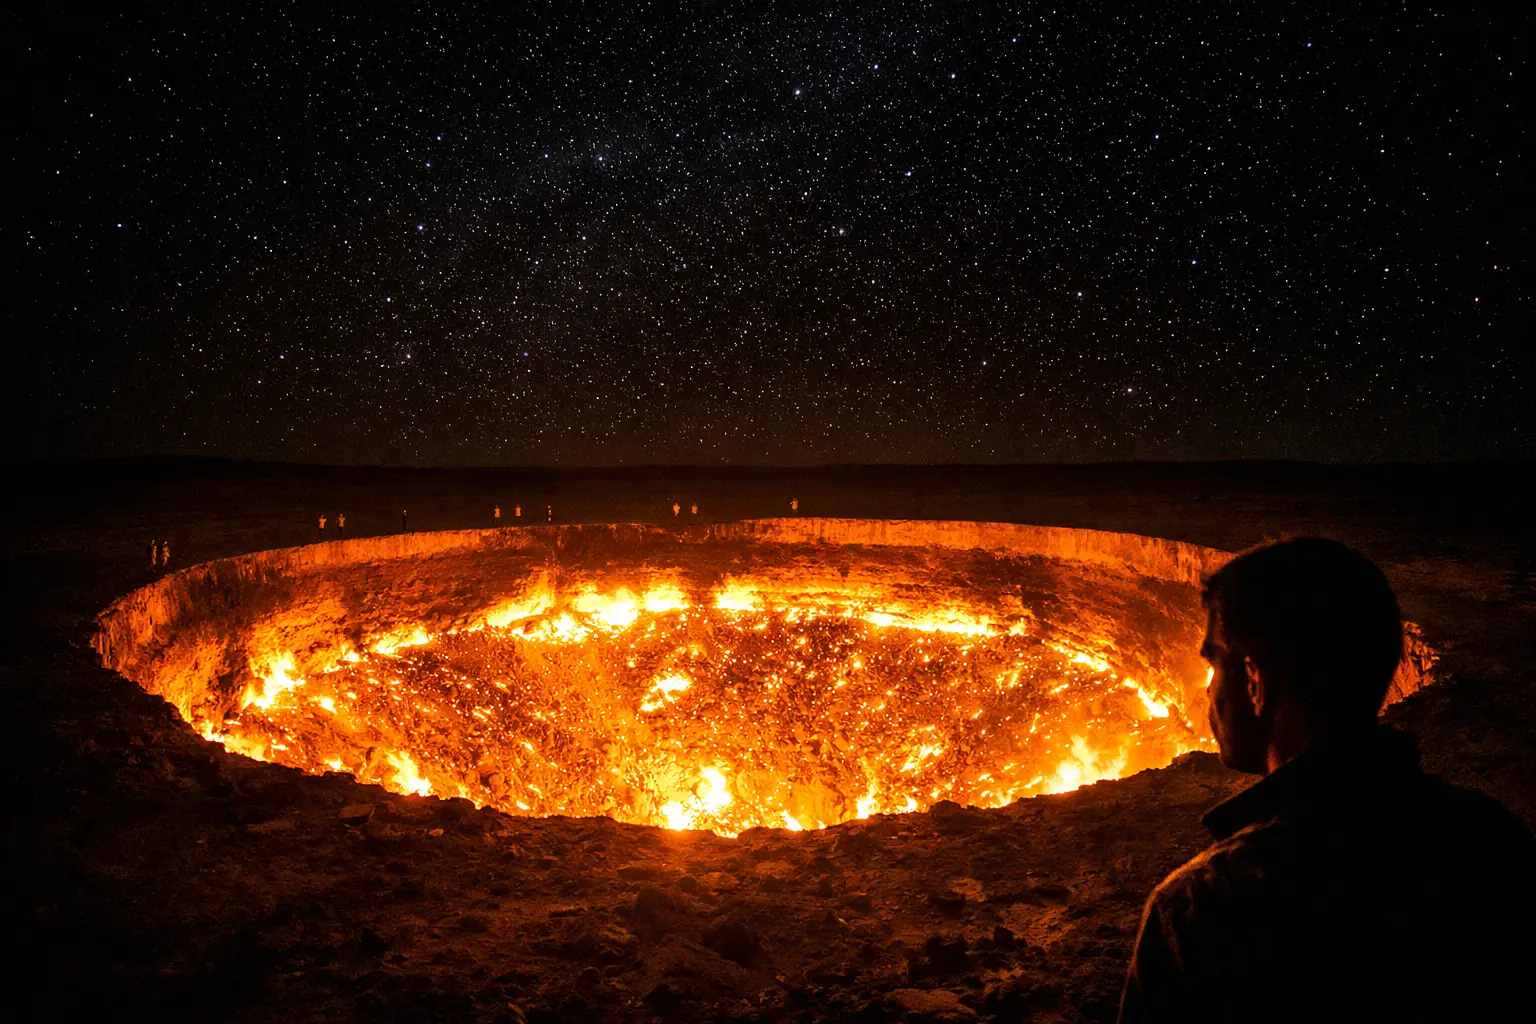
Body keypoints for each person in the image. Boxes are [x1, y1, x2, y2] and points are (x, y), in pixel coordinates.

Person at [1118, 538, 1535, 1023]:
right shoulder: (1494, 839)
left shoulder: (1201, 911)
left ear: (1255, 682)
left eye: (1214, 664)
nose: (1209, 691)